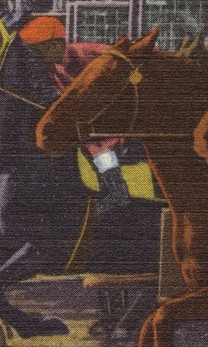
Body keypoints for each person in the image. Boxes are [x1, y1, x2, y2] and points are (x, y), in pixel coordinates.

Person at [16, 14, 133, 214]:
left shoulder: (89, 54)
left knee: (99, 145)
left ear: (56, 44)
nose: (35, 56)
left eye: (38, 50)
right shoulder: (52, 68)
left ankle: (117, 191)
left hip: (119, 108)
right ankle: (109, 187)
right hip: (91, 117)